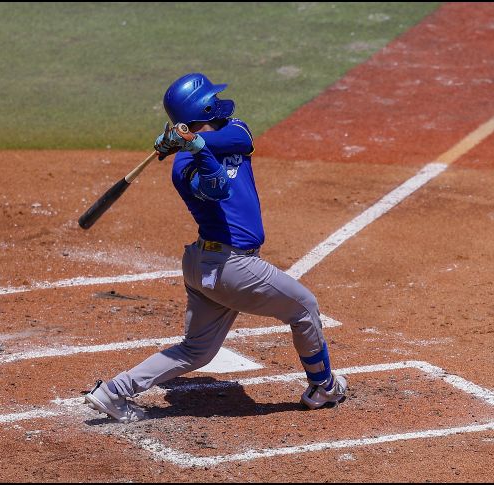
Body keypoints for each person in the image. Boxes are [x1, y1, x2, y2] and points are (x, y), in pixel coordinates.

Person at [84, 73, 347, 422]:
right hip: (231, 268)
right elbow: (217, 188)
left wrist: (190, 142)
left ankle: (113, 391)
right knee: (304, 308)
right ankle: (323, 387)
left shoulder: (231, 134)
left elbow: (243, 135)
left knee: (196, 351)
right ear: (204, 107)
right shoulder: (183, 169)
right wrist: (188, 149)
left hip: (204, 264)